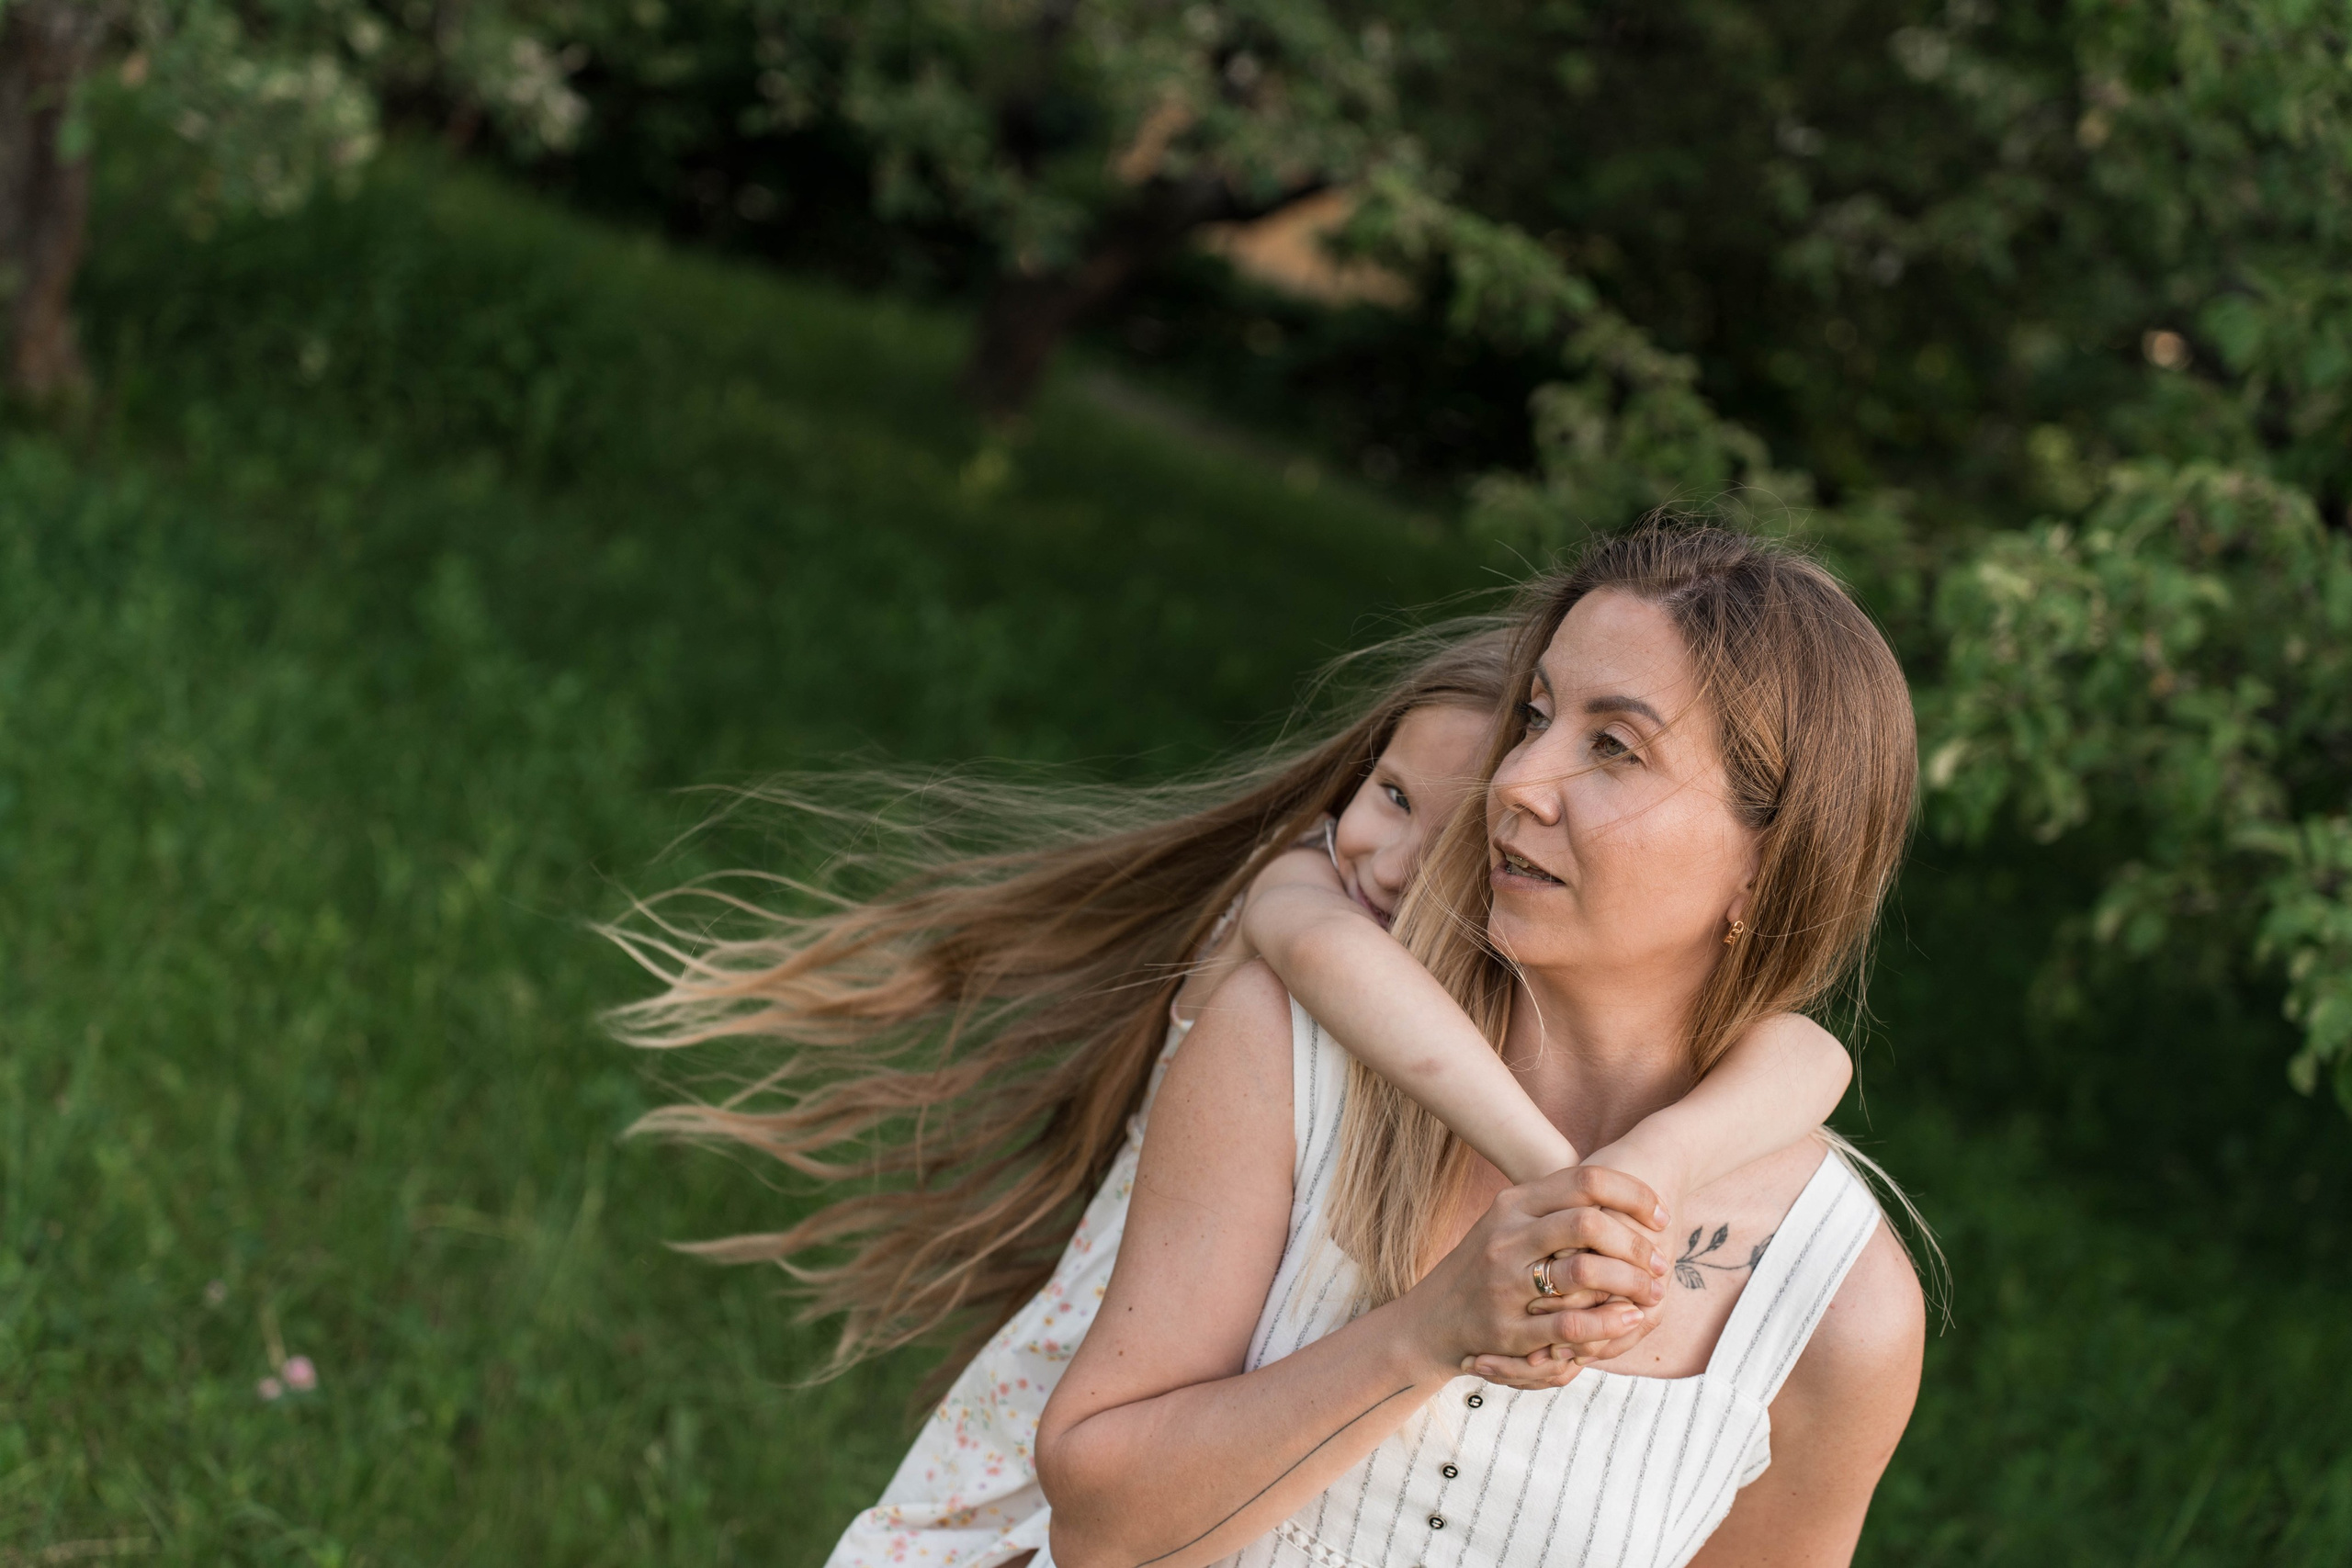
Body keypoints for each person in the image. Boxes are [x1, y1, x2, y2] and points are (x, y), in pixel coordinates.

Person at [607, 616, 1851, 1568]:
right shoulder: (1299, 911)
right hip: (1032, 1490)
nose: (1391, 860)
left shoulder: (1832, 1276)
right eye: (1390, 796)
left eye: (1454, 842)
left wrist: (1652, 1163)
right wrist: (1562, 1181)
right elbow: (1343, 961)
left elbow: (1812, 1057)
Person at [1035, 525, 1928, 1568]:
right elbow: (1096, 1533)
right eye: (1536, 718)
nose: (1516, 780)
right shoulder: (1290, 1051)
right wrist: (1429, 1330)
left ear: (1765, 866)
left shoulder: (1836, 1303)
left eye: (1613, 748)